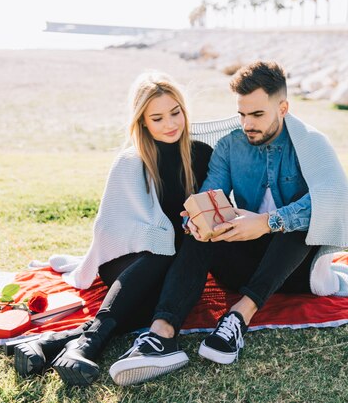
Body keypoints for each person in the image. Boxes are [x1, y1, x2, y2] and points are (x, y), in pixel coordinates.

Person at [109, 61, 348, 386]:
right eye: (242, 114)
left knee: (298, 227)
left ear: (283, 107)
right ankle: (162, 336)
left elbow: (333, 199)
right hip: (240, 266)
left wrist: (269, 222)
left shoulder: (310, 143)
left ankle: (238, 318)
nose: (247, 124)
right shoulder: (229, 146)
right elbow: (211, 194)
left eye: (257, 115)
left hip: (294, 270)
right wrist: (198, 220)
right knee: (203, 228)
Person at [13, 71, 213, 387]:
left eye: (176, 113)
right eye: (157, 117)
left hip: (174, 265)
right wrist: (168, 236)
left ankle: (54, 343)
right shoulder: (131, 162)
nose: (170, 124)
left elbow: (213, 208)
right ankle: (91, 344)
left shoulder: (201, 155)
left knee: (157, 303)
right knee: (164, 250)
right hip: (127, 261)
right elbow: (110, 230)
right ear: (143, 122)